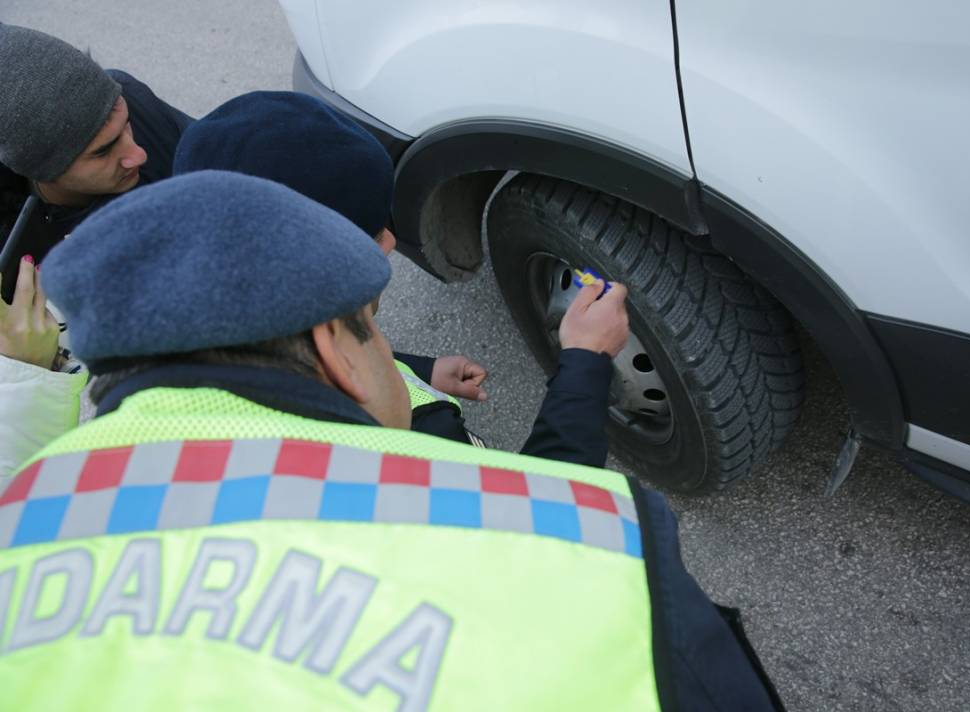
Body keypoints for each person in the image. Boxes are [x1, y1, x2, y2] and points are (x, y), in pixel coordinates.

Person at [0, 171, 782, 710]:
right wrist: (584, 362)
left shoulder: (25, 505)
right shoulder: (573, 539)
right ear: (336, 350)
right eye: (373, 326)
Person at [171, 90, 493, 448]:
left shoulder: (182, 347)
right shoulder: (424, 437)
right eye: (370, 234)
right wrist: (570, 364)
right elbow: (515, 498)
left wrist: (421, 369)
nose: (388, 242)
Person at [0, 22, 192, 475]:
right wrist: (29, 366)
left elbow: (231, 169)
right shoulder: (12, 239)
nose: (137, 154)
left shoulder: (131, 104)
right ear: (41, 170)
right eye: (105, 152)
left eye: (127, 126)